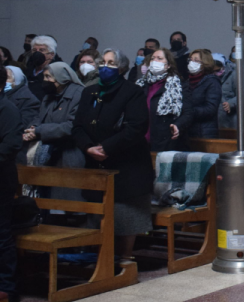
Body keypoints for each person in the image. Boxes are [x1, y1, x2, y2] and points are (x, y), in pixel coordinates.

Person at [72, 49, 152, 261]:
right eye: (103, 63)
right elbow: (77, 126)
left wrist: (106, 147)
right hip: (94, 160)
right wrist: (88, 147)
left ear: (122, 68)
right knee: (97, 209)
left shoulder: (132, 91)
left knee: (126, 211)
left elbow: (136, 127)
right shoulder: (89, 92)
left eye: (111, 63)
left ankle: (125, 257)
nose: (105, 67)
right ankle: (99, 255)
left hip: (127, 161)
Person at [25, 62, 86, 201]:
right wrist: (32, 128)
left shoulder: (79, 94)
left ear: (61, 77)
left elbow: (72, 125)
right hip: (47, 148)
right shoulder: (50, 94)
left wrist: (39, 131)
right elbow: (39, 116)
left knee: (67, 196)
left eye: (48, 77)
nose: (45, 80)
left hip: (69, 150)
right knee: (45, 193)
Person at [137, 48, 193, 152]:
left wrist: (178, 125)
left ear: (168, 65)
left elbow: (188, 113)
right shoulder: (141, 84)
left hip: (165, 139)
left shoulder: (179, 85)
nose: (154, 61)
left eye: (159, 58)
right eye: (153, 58)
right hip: (141, 138)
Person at [0, 62, 23, 302]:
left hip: (1, 179)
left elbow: (9, 146)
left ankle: (6, 285)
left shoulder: (7, 109)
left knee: (1, 233)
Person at [186, 49, 222, 139]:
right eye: (190, 60)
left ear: (205, 63)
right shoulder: (187, 82)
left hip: (204, 131)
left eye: (196, 60)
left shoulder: (212, 82)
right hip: (187, 129)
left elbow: (210, 109)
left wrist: (188, 112)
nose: (192, 63)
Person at [214, 53, 244, 130]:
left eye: (218, 70)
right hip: (216, 119)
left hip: (233, 119)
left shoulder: (234, 74)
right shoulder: (210, 76)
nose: (216, 73)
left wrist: (231, 103)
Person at [4, 66, 40, 130]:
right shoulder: (4, 93)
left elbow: (23, 126)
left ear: (16, 81)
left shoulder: (29, 100)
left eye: (7, 78)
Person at [26, 35, 59, 100]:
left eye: (42, 50)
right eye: (34, 50)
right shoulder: (28, 70)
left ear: (51, 54)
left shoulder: (56, 72)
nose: (37, 53)